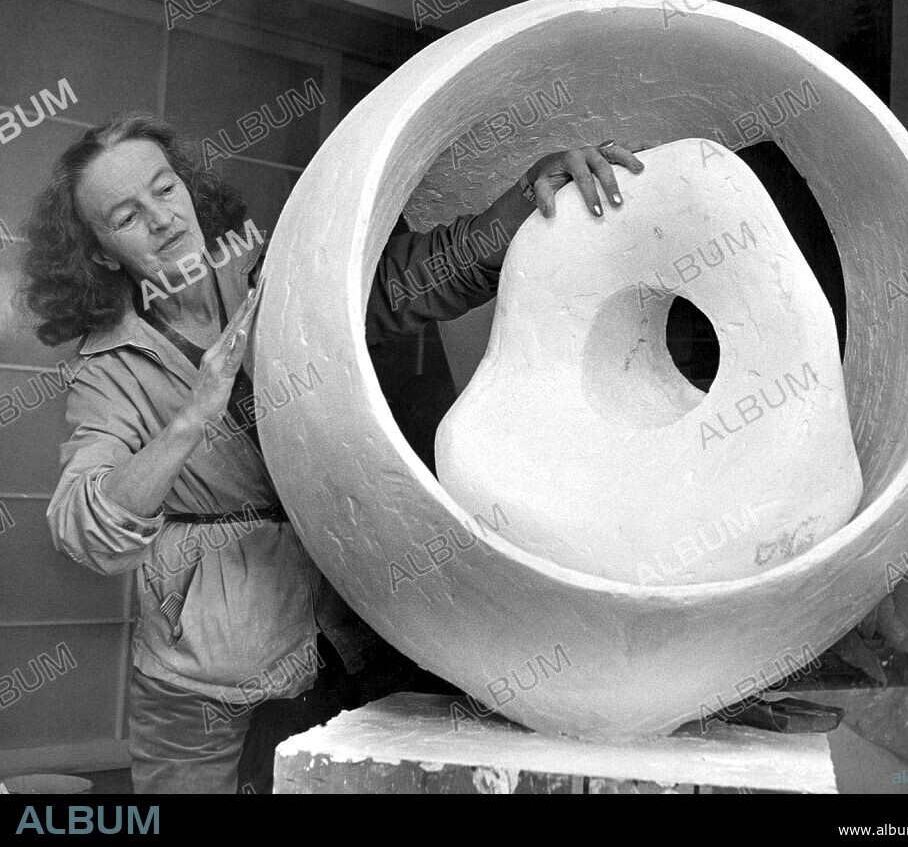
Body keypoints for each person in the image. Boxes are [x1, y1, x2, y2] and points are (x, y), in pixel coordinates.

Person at [20, 112, 643, 794]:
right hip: (202, 670)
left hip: (344, 629)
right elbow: (87, 532)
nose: (162, 219)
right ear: (103, 253)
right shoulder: (106, 369)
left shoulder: (271, 273)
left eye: (165, 190)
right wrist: (192, 416)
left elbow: (414, 277)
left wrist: (525, 198)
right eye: (126, 216)